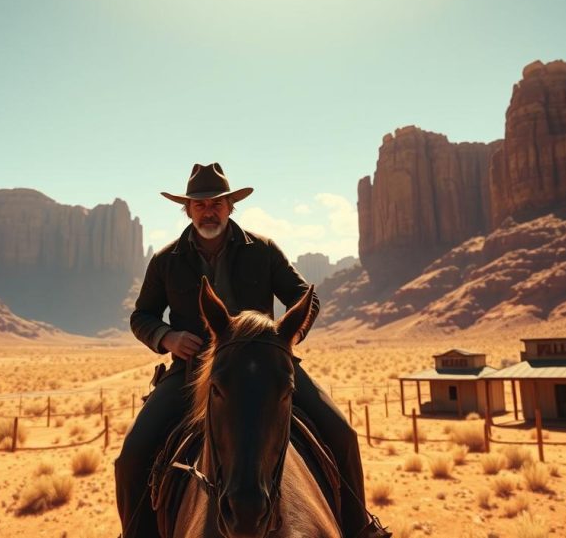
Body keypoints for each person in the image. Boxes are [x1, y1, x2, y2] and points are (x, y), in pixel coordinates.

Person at [116, 162, 390, 538]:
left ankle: (360, 528)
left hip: (267, 367)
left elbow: (304, 298)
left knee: (342, 433)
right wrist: (168, 337)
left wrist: (282, 340)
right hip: (192, 371)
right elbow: (142, 315)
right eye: (200, 205)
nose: (208, 211)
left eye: (216, 203)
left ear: (230, 206)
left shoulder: (262, 250)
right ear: (188, 209)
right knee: (132, 455)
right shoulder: (167, 260)